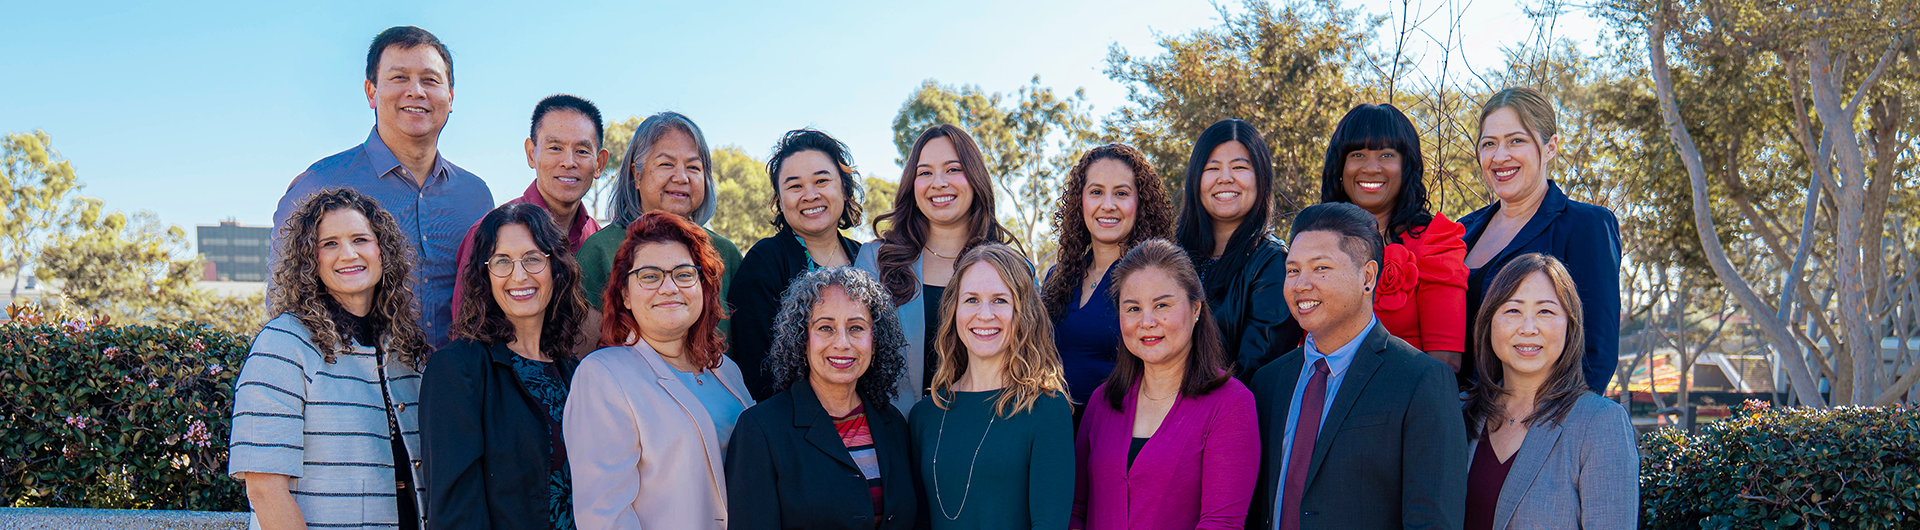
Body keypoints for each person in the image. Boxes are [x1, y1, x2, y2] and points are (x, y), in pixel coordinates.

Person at [1247, 202, 1466, 530]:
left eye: (1321, 268)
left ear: (1368, 277)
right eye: (1293, 270)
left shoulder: (1421, 379)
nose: (1301, 284)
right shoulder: (1268, 382)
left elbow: (1433, 520)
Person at [270, 26, 493, 349]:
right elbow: (282, 301)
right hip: (354, 389)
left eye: (430, 80)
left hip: (459, 390)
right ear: (371, 91)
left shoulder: (476, 196)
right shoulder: (319, 185)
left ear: (450, 97)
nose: (416, 91)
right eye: (399, 77)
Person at [230, 188, 431, 530]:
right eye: (330, 244)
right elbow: (264, 488)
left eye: (360, 239)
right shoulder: (284, 344)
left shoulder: (405, 349)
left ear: (382, 250)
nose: (348, 254)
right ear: (311, 259)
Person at [565, 211, 756, 529]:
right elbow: (605, 517)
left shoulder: (727, 370)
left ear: (703, 287)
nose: (669, 287)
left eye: (683, 274)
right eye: (650, 276)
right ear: (625, 295)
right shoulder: (602, 377)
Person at [421, 203, 590, 530]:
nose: (519, 275)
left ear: (555, 267)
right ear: (484, 275)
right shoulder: (457, 370)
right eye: (502, 261)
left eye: (532, 258)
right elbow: (456, 515)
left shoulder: (574, 372)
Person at [1072, 239, 1258, 530]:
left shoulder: (1231, 404)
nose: (1147, 321)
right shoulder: (1102, 402)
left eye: (1162, 305)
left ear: (1196, 309)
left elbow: (1221, 523)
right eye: (1132, 308)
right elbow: (1077, 510)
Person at [725, 267, 918, 529]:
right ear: (802, 339)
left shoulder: (893, 423)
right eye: (826, 327)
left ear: (876, 339)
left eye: (857, 327)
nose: (842, 343)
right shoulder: (761, 430)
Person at [1460, 87, 1622, 394]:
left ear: (1550, 147)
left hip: (1541, 424)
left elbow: (1596, 356)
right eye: (1489, 144)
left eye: (1516, 141)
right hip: (1458, 421)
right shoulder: (1463, 231)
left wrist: (1542, 431)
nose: (1500, 156)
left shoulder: (1586, 226)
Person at [1462, 253, 1638, 530]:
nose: (1528, 329)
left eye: (1545, 312)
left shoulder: (1600, 424)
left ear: (1570, 324)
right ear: (1489, 322)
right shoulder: (1458, 413)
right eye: (1513, 311)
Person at [856, 124, 1021, 413]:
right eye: (925, 172)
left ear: (975, 178)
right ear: (912, 184)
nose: (939, 182)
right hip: (896, 438)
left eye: (953, 169)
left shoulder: (1014, 269)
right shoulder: (875, 262)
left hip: (986, 435)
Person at [908, 243, 1073, 530]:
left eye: (1000, 300)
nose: (985, 315)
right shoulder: (926, 414)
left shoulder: (1046, 409)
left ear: (1022, 313)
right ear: (954, 311)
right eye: (971, 300)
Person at [1317, 103, 1468, 372]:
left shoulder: (1436, 241)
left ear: (1406, 166)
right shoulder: (1315, 238)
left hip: (1403, 406)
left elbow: (1445, 364)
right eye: (1357, 154)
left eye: (1386, 155)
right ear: (1341, 166)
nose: (1371, 168)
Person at [730, 129, 867, 400]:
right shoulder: (764, 263)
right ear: (780, 201)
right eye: (795, 186)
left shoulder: (867, 259)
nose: (810, 194)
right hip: (793, 428)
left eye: (821, 181)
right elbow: (758, 372)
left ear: (844, 187)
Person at [1040, 144, 1176, 409]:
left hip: (1118, 430)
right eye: (1096, 192)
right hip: (1057, 431)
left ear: (1141, 203)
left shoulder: (1156, 279)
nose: (1108, 205)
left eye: (1121, 193)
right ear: (1080, 201)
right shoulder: (1058, 277)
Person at [449, 94, 607, 321]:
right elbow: (465, 333)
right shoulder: (490, 232)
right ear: (531, 153)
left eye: (582, 151)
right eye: (555, 148)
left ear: (599, 163)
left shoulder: (595, 239)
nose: (568, 162)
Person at [578, 111, 744, 323]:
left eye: (693, 167)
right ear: (637, 174)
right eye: (666, 164)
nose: (682, 177)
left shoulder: (726, 253)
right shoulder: (600, 251)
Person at [1172, 119, 1303, 380]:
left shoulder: (1273, 264)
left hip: (1228, 416)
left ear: (1261, 178)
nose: (1225, 178)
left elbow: (1255, 374)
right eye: (1212, 168)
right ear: (1195, 179)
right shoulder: (1171, 258)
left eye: (1240, 167)